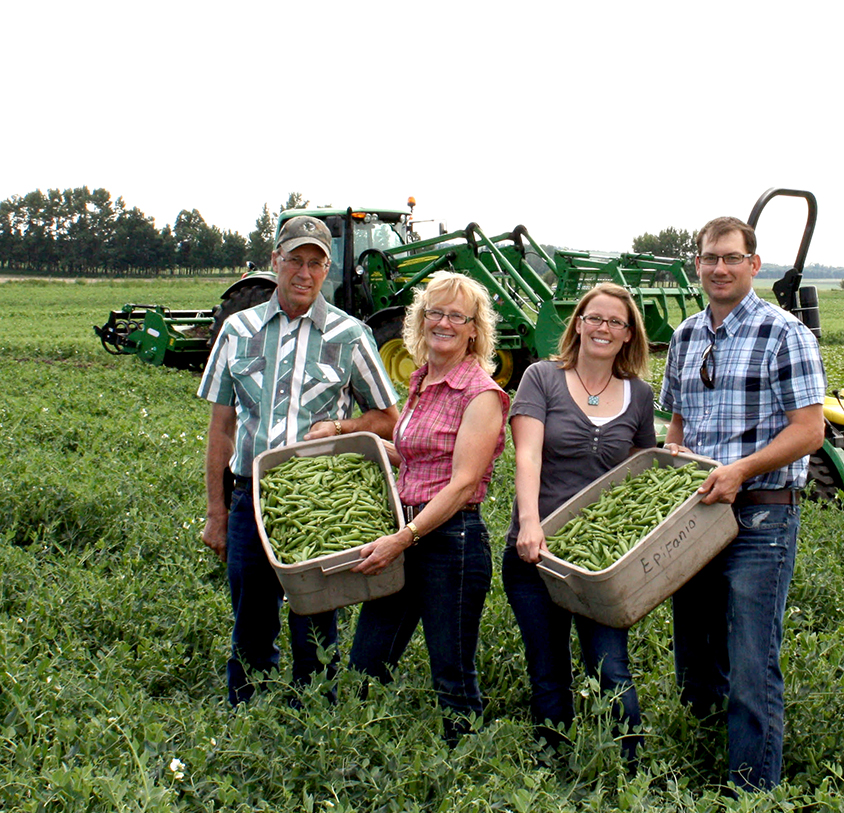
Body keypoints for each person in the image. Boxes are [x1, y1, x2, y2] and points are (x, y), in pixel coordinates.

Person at [198, 215, 400, 706]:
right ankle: (249, 718)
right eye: (295, 261)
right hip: (249, 497)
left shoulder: (349, 335)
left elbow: (387, 418)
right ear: (275, 262)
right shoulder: (237, 330)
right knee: (250, 624)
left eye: (316, 263)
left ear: (326, 269)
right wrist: (216, 514)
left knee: (315, 625)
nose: (304, 273)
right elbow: (221, 430)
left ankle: (312, 724)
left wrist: (341, 427)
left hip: (318, 502)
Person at [660, 216, 825, 791]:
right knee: (696, 654)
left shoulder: (785, 333)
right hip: (697, 510)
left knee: (753, 661)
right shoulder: (685, 337)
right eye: (709, 258)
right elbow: (678, 419)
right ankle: (696, 766)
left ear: (753, 265)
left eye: (731, 258)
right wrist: (672, 451)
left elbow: (809, 431)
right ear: (697, 265)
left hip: (761, 512)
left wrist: (741, 472)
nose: (719, 268)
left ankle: (751, 797)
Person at [348, 271, 510, 743]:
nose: (443, 322)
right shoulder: (422, 379)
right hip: (406, 534)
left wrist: (403, 538)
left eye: (455, 316)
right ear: (420, 320)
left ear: (474, 329)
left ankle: (466, 780)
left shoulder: (481, 394)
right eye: (434, 312)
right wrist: (355, 442)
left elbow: (462, 483)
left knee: (452, 677)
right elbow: (416, 455)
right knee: (365, 665)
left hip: (450, 544)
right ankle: (357, 761)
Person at [502, 283, 656, 762]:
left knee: (611, 668)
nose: (603, 328)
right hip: (535, 553)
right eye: (595, 318)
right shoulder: (541, 378)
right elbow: (526, 456)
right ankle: (553, 771)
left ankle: (630, 772)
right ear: (579, 324)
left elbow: (639, 469)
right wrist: (531, 525)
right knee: (548, 670)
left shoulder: (639, 395)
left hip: (600, 563)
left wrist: (665, 458)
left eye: (615, 322)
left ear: (629, 335)